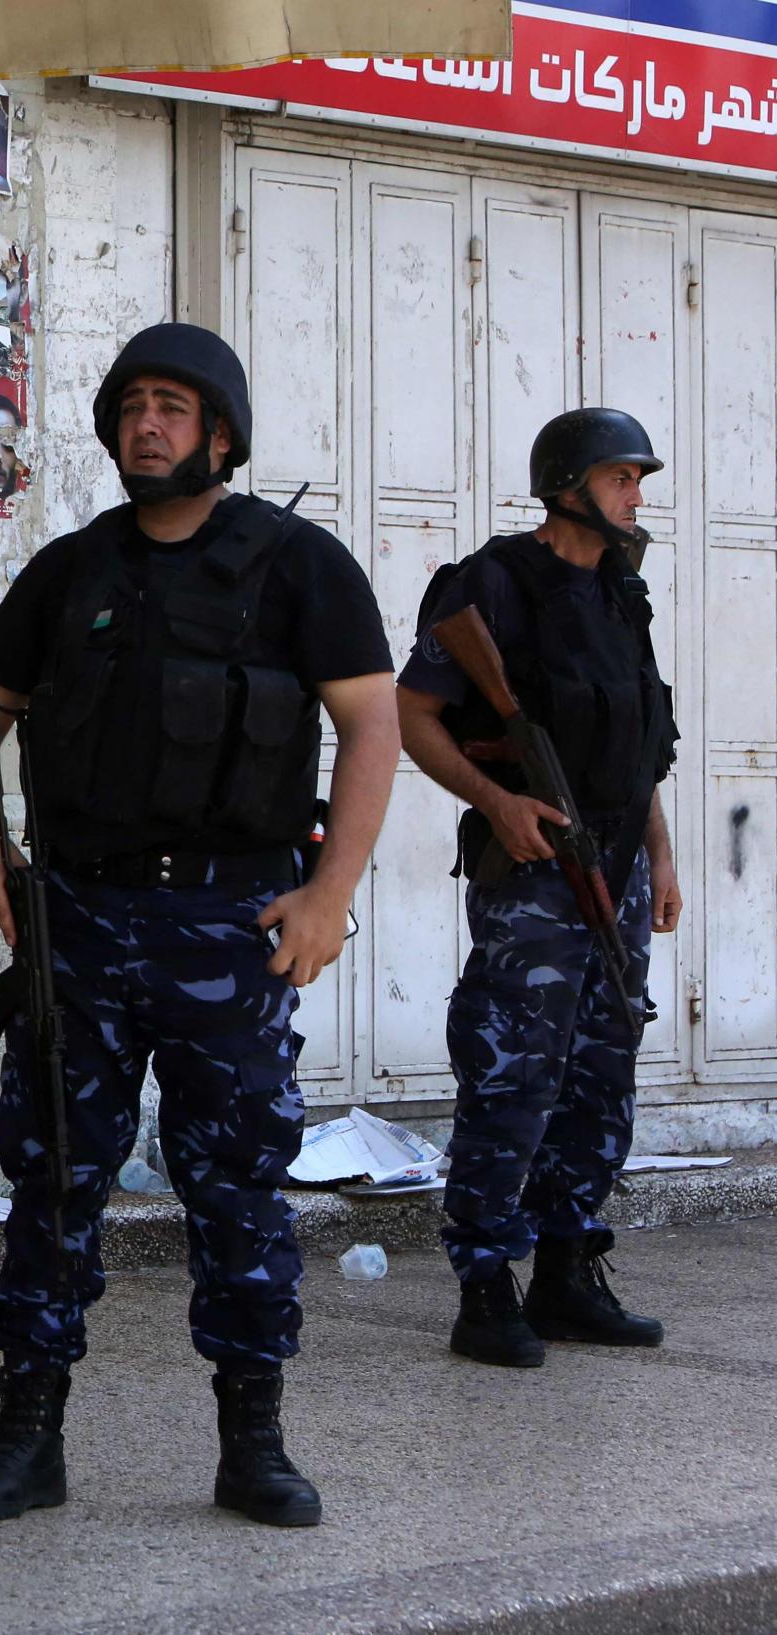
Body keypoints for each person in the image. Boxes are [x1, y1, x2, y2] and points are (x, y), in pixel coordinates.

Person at [0, 322, 399, 1529]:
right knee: (50, 1182)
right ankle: (24, 1441)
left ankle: (254, 1443)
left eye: (174, 407)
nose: (148, 423)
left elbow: (372, 728)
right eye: (133, 404)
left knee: (235, 1185)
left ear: (221, 433)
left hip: (226, 922)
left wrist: (329, 893)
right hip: (78, 920)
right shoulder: (73, 570)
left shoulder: (298, 565)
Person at [395, 408, 680, 1368]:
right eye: (621, 478)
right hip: (533, 871)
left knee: (603, 1072)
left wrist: (662, 861)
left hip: (619, 869)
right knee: (517, 1073)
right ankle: (485, 1284)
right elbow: (414, 715)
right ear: (567, 485)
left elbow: (642, 750)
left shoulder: (622, 594)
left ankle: (566, 1269)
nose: (637, 496)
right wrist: (497, 802)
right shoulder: (496, 583)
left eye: (637, 479)